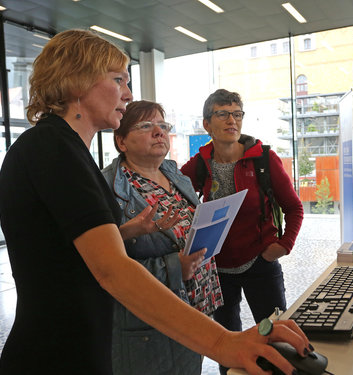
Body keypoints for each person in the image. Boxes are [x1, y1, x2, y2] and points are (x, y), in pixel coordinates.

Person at [0, 30, 312, 375]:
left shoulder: (65, 149)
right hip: (56, 354)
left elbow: (65, 251)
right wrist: (224, 343)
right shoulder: (53, 149)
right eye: (118, 80)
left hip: (75, 345)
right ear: (77, 80)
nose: (128, 94)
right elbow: (111, 269)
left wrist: (125, 231)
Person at [181, 89, 304, 373]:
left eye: (237, 114)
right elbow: (174, 192)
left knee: (275, 338)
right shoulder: (200, 163)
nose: (231, 120)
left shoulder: (263, 158)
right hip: (219, 267)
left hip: (261, 262)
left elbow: (294, 207)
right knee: (229, 345)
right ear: (207, 124)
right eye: (222, 114)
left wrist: (284, 245)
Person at [102, 99, 223, 375]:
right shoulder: (108, 187)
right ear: (121, 141)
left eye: (162, 125)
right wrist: (174, 268)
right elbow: (105, 264)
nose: (159, 132)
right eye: (146, 126)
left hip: (196, 303)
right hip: (153, 317)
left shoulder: (174, 174)